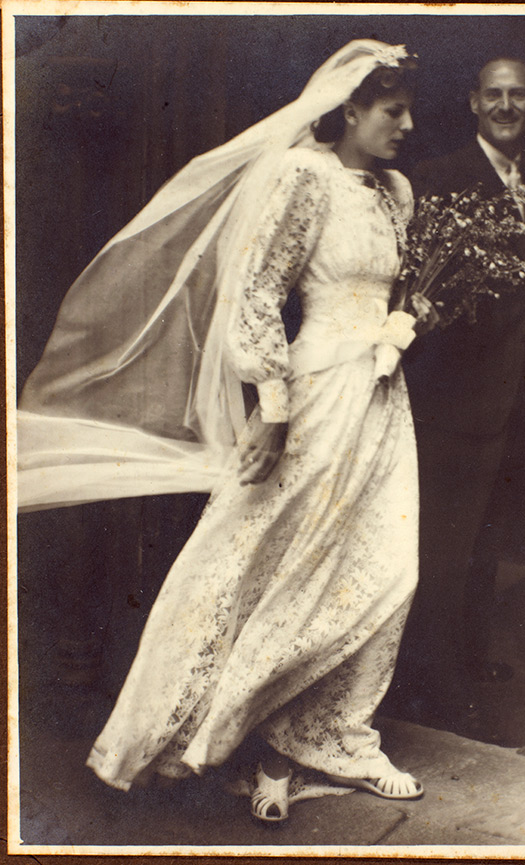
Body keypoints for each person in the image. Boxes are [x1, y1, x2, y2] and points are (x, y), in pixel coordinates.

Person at [18, 41, 428, 823]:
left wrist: (410, 316)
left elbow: (392, 289)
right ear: (349, 109)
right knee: (269, 561)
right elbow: (259, 293)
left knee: (383, 565)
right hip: (313, 396)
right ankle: (214, 738)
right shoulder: (304, 176)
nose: (406, 126)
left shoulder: (398, 192)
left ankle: (333, 735)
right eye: (392, 110)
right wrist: (271, 410)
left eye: (410, 111)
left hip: (383, 397)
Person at [393, 57, 525, 722]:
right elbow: (417, 280)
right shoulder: (439, 176)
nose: (506, 106)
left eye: (518, 95)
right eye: (494, 94)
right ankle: (430, 682)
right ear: (473, 102)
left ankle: (469, 655)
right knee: (445, 540)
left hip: (516, 392)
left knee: (489, 534)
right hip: (456, 393)